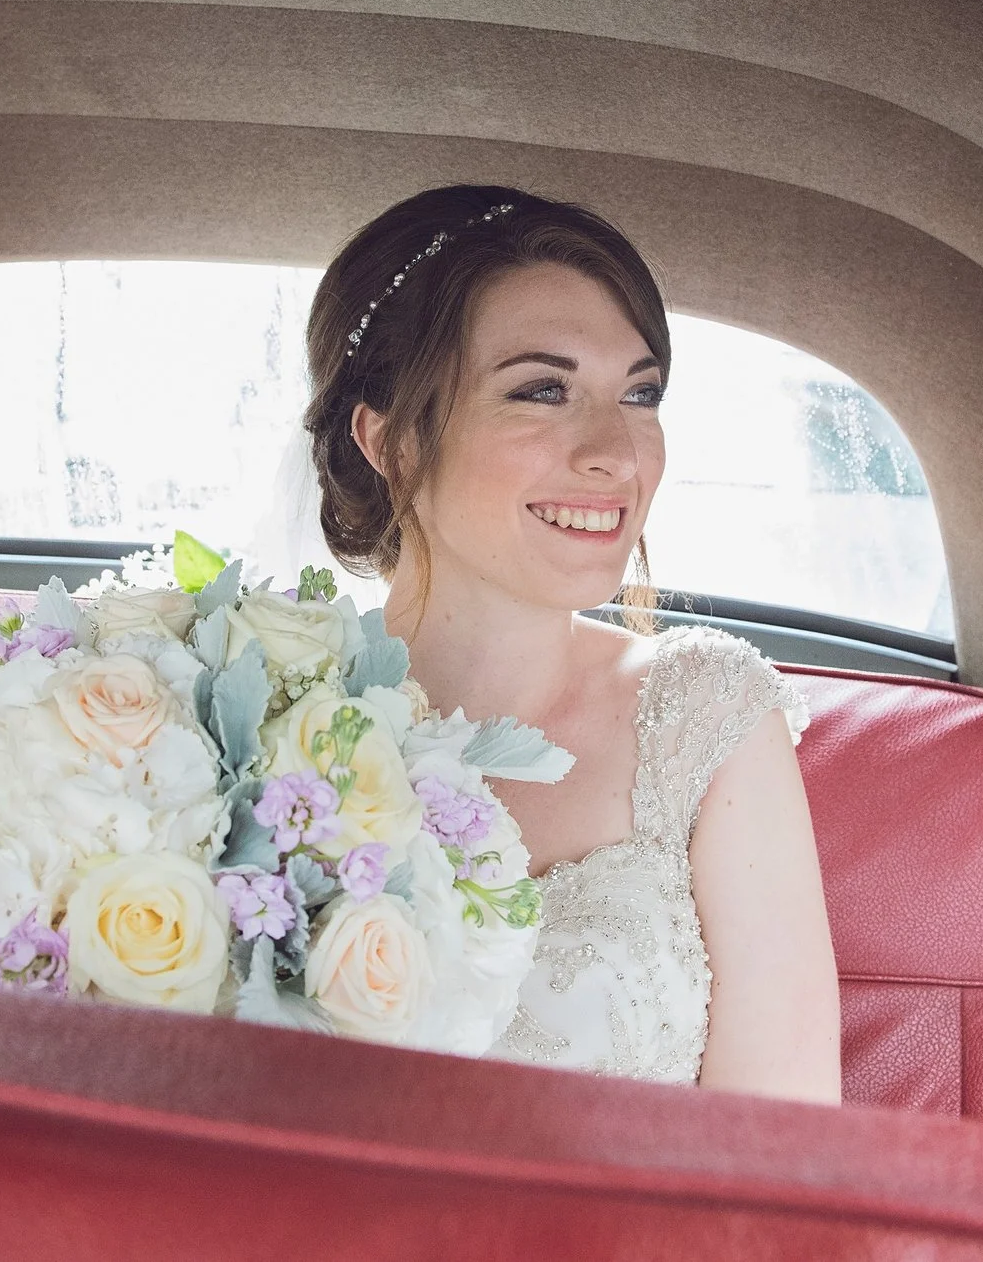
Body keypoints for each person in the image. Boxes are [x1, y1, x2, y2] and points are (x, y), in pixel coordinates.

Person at [303, 186, 842, 1101]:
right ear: (388, 441)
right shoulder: (242, 709)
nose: (617, 453)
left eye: (639, 393)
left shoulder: (706, 720)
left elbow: (789, 1165)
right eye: (543, 389)